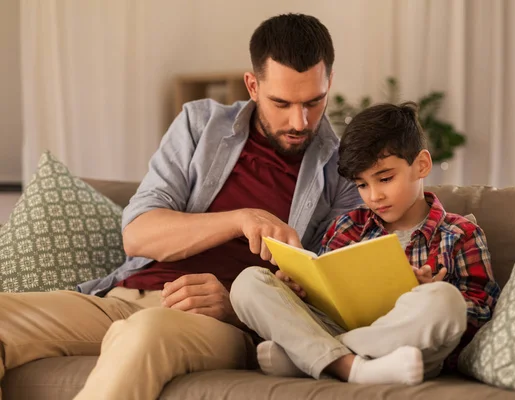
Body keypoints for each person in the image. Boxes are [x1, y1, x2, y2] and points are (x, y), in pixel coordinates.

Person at [0, 13, 362, 400]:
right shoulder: (200, 124)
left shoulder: (345, 171)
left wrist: (235, 305)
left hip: (220, 324)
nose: (299, 121)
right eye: (281, 102)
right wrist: (242, 220)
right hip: (125, 298)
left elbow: (333, 305)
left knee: (146, 333)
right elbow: (138, 234)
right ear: (253, 86)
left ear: (330, 84)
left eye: (313, 101)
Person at [230, 103, 501, 385]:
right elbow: (325, 300)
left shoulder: (460, 233)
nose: (374, 196)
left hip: (408, 341)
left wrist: (426, 290)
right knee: (248, 283)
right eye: (362, 185)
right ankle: (352, 367)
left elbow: (480, 315)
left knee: (445, 302)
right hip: (340, 327)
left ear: (421, 165)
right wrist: (298, 290)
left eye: (385, 179)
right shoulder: (347, 226)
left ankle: (313, 355)